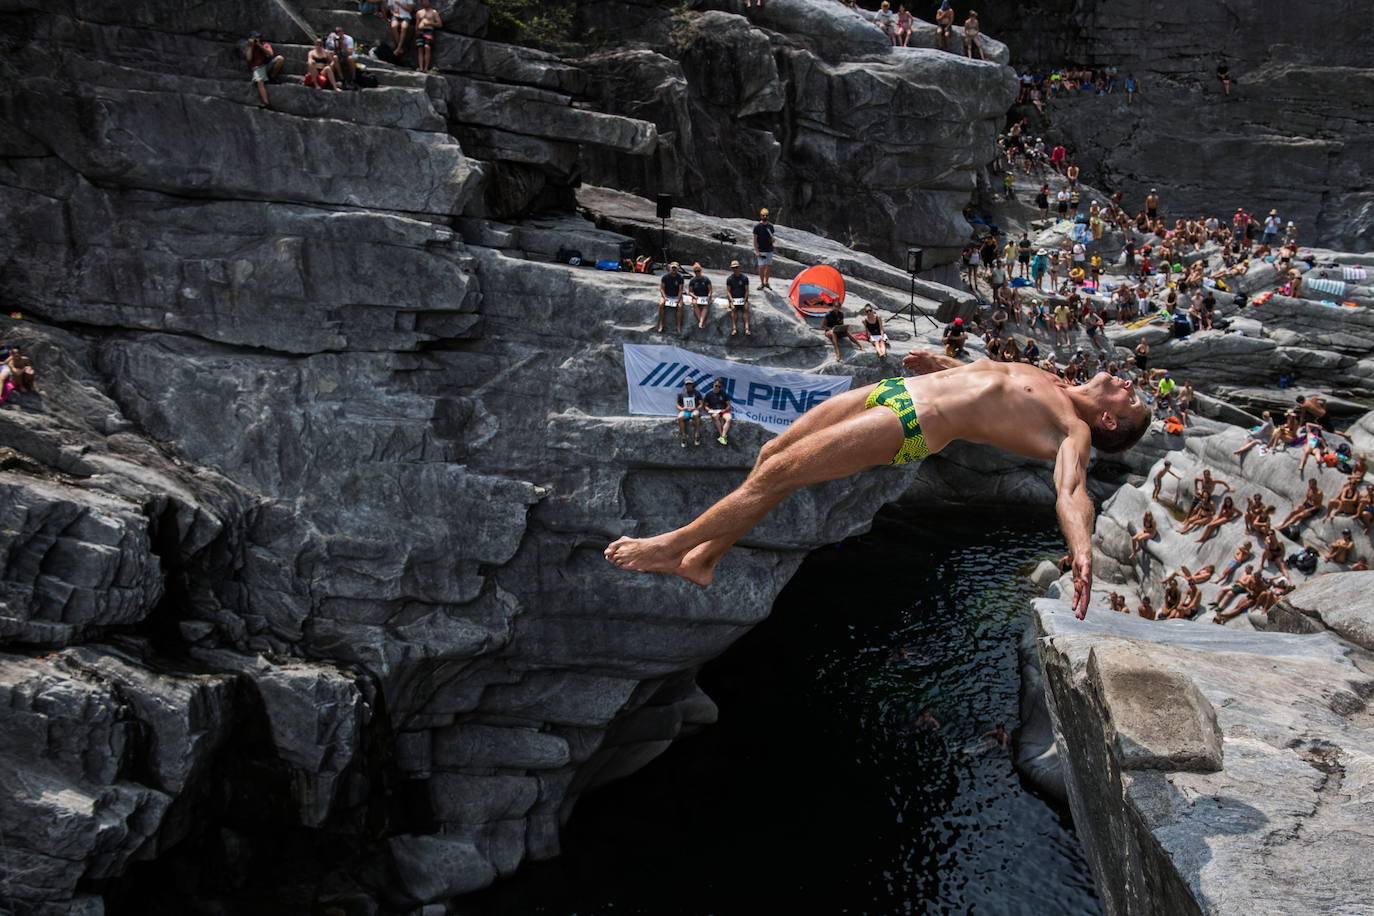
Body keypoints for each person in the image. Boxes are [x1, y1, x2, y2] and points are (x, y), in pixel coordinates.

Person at [606, 354, 1152, 617]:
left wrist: (1080, 549)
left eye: (1130, 398)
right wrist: (940, 363)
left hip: (914, 424)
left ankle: (671, 546)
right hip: (898, 389)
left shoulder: (1072, 429)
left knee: (777, 475)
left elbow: (1071, 489)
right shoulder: (1048, 376)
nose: (1126, 384)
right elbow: (988, 382)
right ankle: (704, 560)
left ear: (1108, 423)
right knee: (773, 454)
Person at [245, 32, 285, 108]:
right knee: (259, 81)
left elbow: (270, 54)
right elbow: (249, 58)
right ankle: (265, 102)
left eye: (257, 38)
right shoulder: (251, 47)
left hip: (267, 65)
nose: (256, 40)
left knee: (280, 59)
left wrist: (260, 46)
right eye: (254, 38)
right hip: (258, 67)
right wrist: (251, 47)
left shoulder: (265, 45)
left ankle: (272, 77)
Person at [724, 260, 751, 336]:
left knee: (745, 309)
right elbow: (728, 291)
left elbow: (747, 290)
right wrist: (731, 300)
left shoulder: (744, 278)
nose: (735, 269)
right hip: (734, 299)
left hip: (742, 298)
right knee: (733, 309)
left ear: (739, 268)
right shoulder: (729, 279)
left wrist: (745, 299)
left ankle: (747, 329)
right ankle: (734, 328)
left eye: (736, 267)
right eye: (733, 268)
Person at [703, 378, 734, 446]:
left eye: (719, 386)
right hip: (714, 411)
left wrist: (725, 410)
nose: (717, 387)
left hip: (723, 410)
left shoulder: (723, 394)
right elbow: (705, 406)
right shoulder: (709, 395)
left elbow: (729, 405)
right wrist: (709, 410)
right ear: (713, 385)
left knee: (729, 418)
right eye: (716, 385)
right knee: (715, 417)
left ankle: (722, 436)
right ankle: (721, 435)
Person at [414, 0, 443, 72]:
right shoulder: (419, 12)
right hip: (420, 32)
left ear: (429, 2)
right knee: (420, 48)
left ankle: (426, 68)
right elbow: (417, 24)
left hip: (428, 31)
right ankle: (421, 68)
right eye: (423, 1)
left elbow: (439, 24)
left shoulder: (434, 12)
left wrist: (430, 23)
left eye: (426, 1)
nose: (425, 2)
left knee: (427, 47)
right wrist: (416, 32)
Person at [657, 262, 684, 334]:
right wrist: (665, 297)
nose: (674, 269)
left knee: (680, 306)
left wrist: (678, 299)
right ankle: (661, 324)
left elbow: (681, 290)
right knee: (661, 304)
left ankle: (678, 326)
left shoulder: (680, 277)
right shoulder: (665, 277)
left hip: (676, 296)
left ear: (677, 269)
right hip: (667, 295)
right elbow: (662, 289)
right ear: (670, 268)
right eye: (672, 268)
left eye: (675, 268)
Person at [752, 208, 776, 291]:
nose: (765, 216)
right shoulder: (757, 227)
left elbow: (771, 238)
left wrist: (772, 240)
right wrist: (756, 251)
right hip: (761, 250)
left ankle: (766, 282)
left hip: (769, 249)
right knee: (761, 267)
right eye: (763, 215)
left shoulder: (770, 226)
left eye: (766, 215)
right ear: (760, 216)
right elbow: (755, 240)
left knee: (769, 266)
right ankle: (762, 283)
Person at [675, 380, 703, 447]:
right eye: (687, 384)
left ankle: (697, 435)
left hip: (694, 410)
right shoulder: (681, 394)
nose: (688, 385)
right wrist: (682, 409)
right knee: (679, 417)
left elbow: (701, 404)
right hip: (686, 411)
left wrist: (696, 408)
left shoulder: (697, 393)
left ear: (692, 384)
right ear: (685, 385)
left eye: (690, 384)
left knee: (695, 415)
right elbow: (677, 404)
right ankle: (683, 437)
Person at [686, 263, 713, 329]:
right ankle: (700, 321)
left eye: (698, 271)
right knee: (695, 303)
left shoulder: (706, 279)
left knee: (706, 305)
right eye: (695, 271)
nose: (697, 273)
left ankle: (701, 322)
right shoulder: (692, 280)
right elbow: (690, 292)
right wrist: (694, 296)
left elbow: (710, 290)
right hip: (697, 296)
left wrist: (709, 296)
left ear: (701, 271)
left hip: (705, 296)